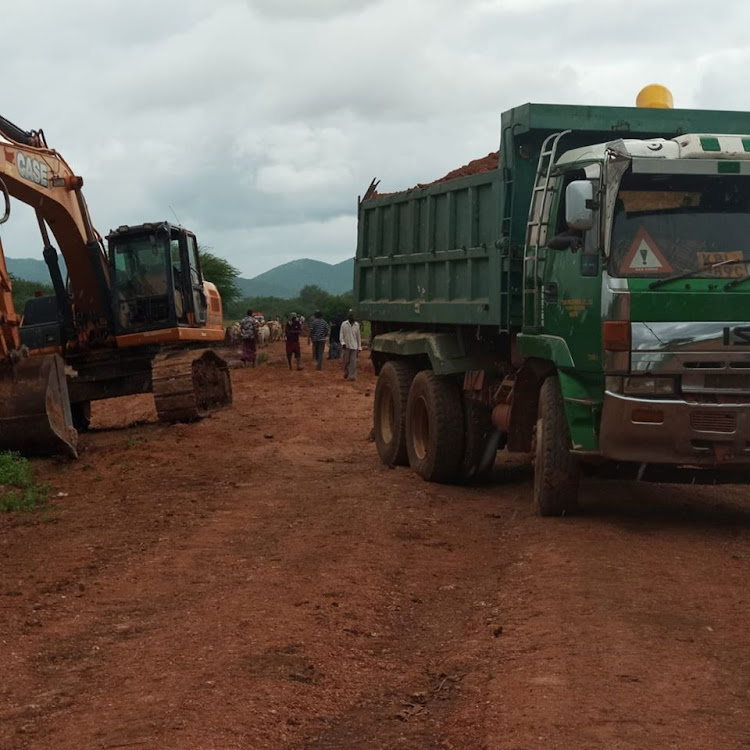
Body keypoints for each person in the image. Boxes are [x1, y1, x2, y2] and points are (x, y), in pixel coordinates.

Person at [340, 310, 362, 381]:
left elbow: (358, 336)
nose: (351, 317)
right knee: (346, 361)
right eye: (350, 315)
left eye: (352, 316)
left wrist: (359, 346)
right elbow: (341, 334)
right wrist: (342, 343)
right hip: (346, 346)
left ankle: (352, 376)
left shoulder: (357, 325)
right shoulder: (344, 324)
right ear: (348, 316)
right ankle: (346, 372)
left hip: (354, 346)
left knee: (353, 362)